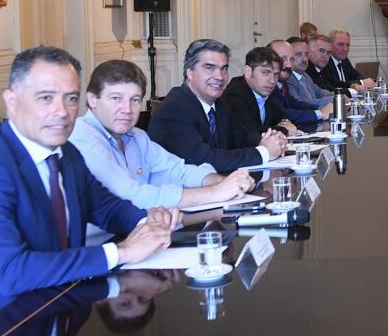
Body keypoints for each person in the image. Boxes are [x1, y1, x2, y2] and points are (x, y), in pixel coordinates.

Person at [0, 47, 177, 336]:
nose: (61, 111)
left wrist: (148, 221)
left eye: (70, 98)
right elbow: (11, 271)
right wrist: (122, 252)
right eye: (46, 98)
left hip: (47, 320)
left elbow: (107, 207)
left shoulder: (66, 153)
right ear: (12, 101)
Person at [69, 59, 254, 222]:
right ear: (92, 99)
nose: (127, 109)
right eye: (116, 98)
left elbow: (178, 171)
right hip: (103, 244)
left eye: (135, 100)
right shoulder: (81, 137)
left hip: (143, 231)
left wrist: (225, 182)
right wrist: (215, 193)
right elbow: (132, 195)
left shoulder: (137, 137)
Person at [148, 39, 287, 173]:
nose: (220, 76)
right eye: (209, 68)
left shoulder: (219, 104)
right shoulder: (175, 108)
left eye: (224, 69)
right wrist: (263, 152)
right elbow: (206, 160)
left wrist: (271, 141)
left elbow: (243, 138)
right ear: (190, 72)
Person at [222, 46, 301, 141]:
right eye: (265, 73)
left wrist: (285, 121)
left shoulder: (266, 91)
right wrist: (283, 129)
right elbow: (252, 131)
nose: (272, 81)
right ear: (248, 72)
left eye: (276, 75)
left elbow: (282, 114)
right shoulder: (234, 95)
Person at [268, 39, 331, 125]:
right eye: (282, 59)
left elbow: (294, 104)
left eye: (291, 59)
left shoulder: (282, 83)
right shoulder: (268, 86)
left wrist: (320, 108)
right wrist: (320, 113)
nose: (289, 65)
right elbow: (280, 113)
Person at [286, 36, 334, 109]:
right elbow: (301, 104)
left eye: (306, 54)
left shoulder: (305, 75)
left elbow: (320, 92)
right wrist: (335, 99)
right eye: (299, 54)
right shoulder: (288, 79)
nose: (305, 59)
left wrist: (339, 95)